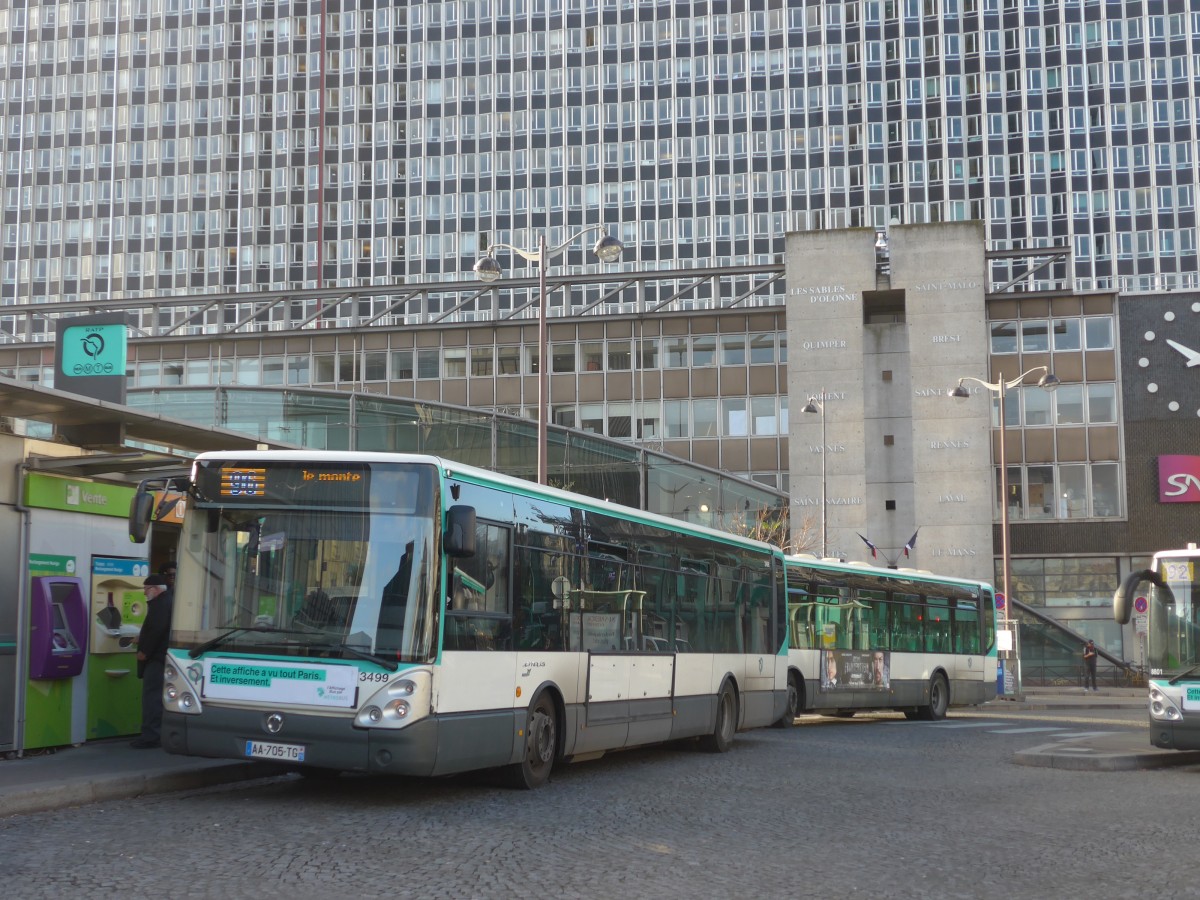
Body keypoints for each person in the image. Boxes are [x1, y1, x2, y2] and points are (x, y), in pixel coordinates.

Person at [132, 573, 174, 749]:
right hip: (162, 656)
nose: (144, 592)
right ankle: (156, 733)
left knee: (152, 697)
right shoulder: (168, 601)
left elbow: (157, 629)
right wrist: (141, 638)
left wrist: (145, 651)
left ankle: (150, 736)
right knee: (157, 697)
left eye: (146, 589)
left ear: (155, 589)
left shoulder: (159, 604)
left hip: (156, 658)